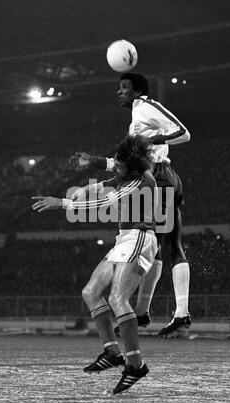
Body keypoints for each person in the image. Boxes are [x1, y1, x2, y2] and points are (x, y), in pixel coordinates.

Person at [32, 135, 158, 394]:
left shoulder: (142, 180)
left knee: (118, 300)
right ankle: (112, 352)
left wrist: (62, 203)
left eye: (120, 165)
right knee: (90, 292)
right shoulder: (127, 173)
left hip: (141, 238)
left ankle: (136, 365)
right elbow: (107, 182)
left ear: (132, 168)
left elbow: (105, 202)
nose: (117, 167)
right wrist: (85, 188)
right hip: (125, 238)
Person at [71, 73, 191, 337]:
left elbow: (183, 133)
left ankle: (180, 314)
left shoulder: (146, 106)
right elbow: (127, 165)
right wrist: (94, 162)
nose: (119, 92)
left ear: (137, 91)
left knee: (165, 244)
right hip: (156, 177)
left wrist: (154, 141)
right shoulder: (136, 119)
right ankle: (144, 312)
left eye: (124, 87)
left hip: (159, 177)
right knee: (158, 245)